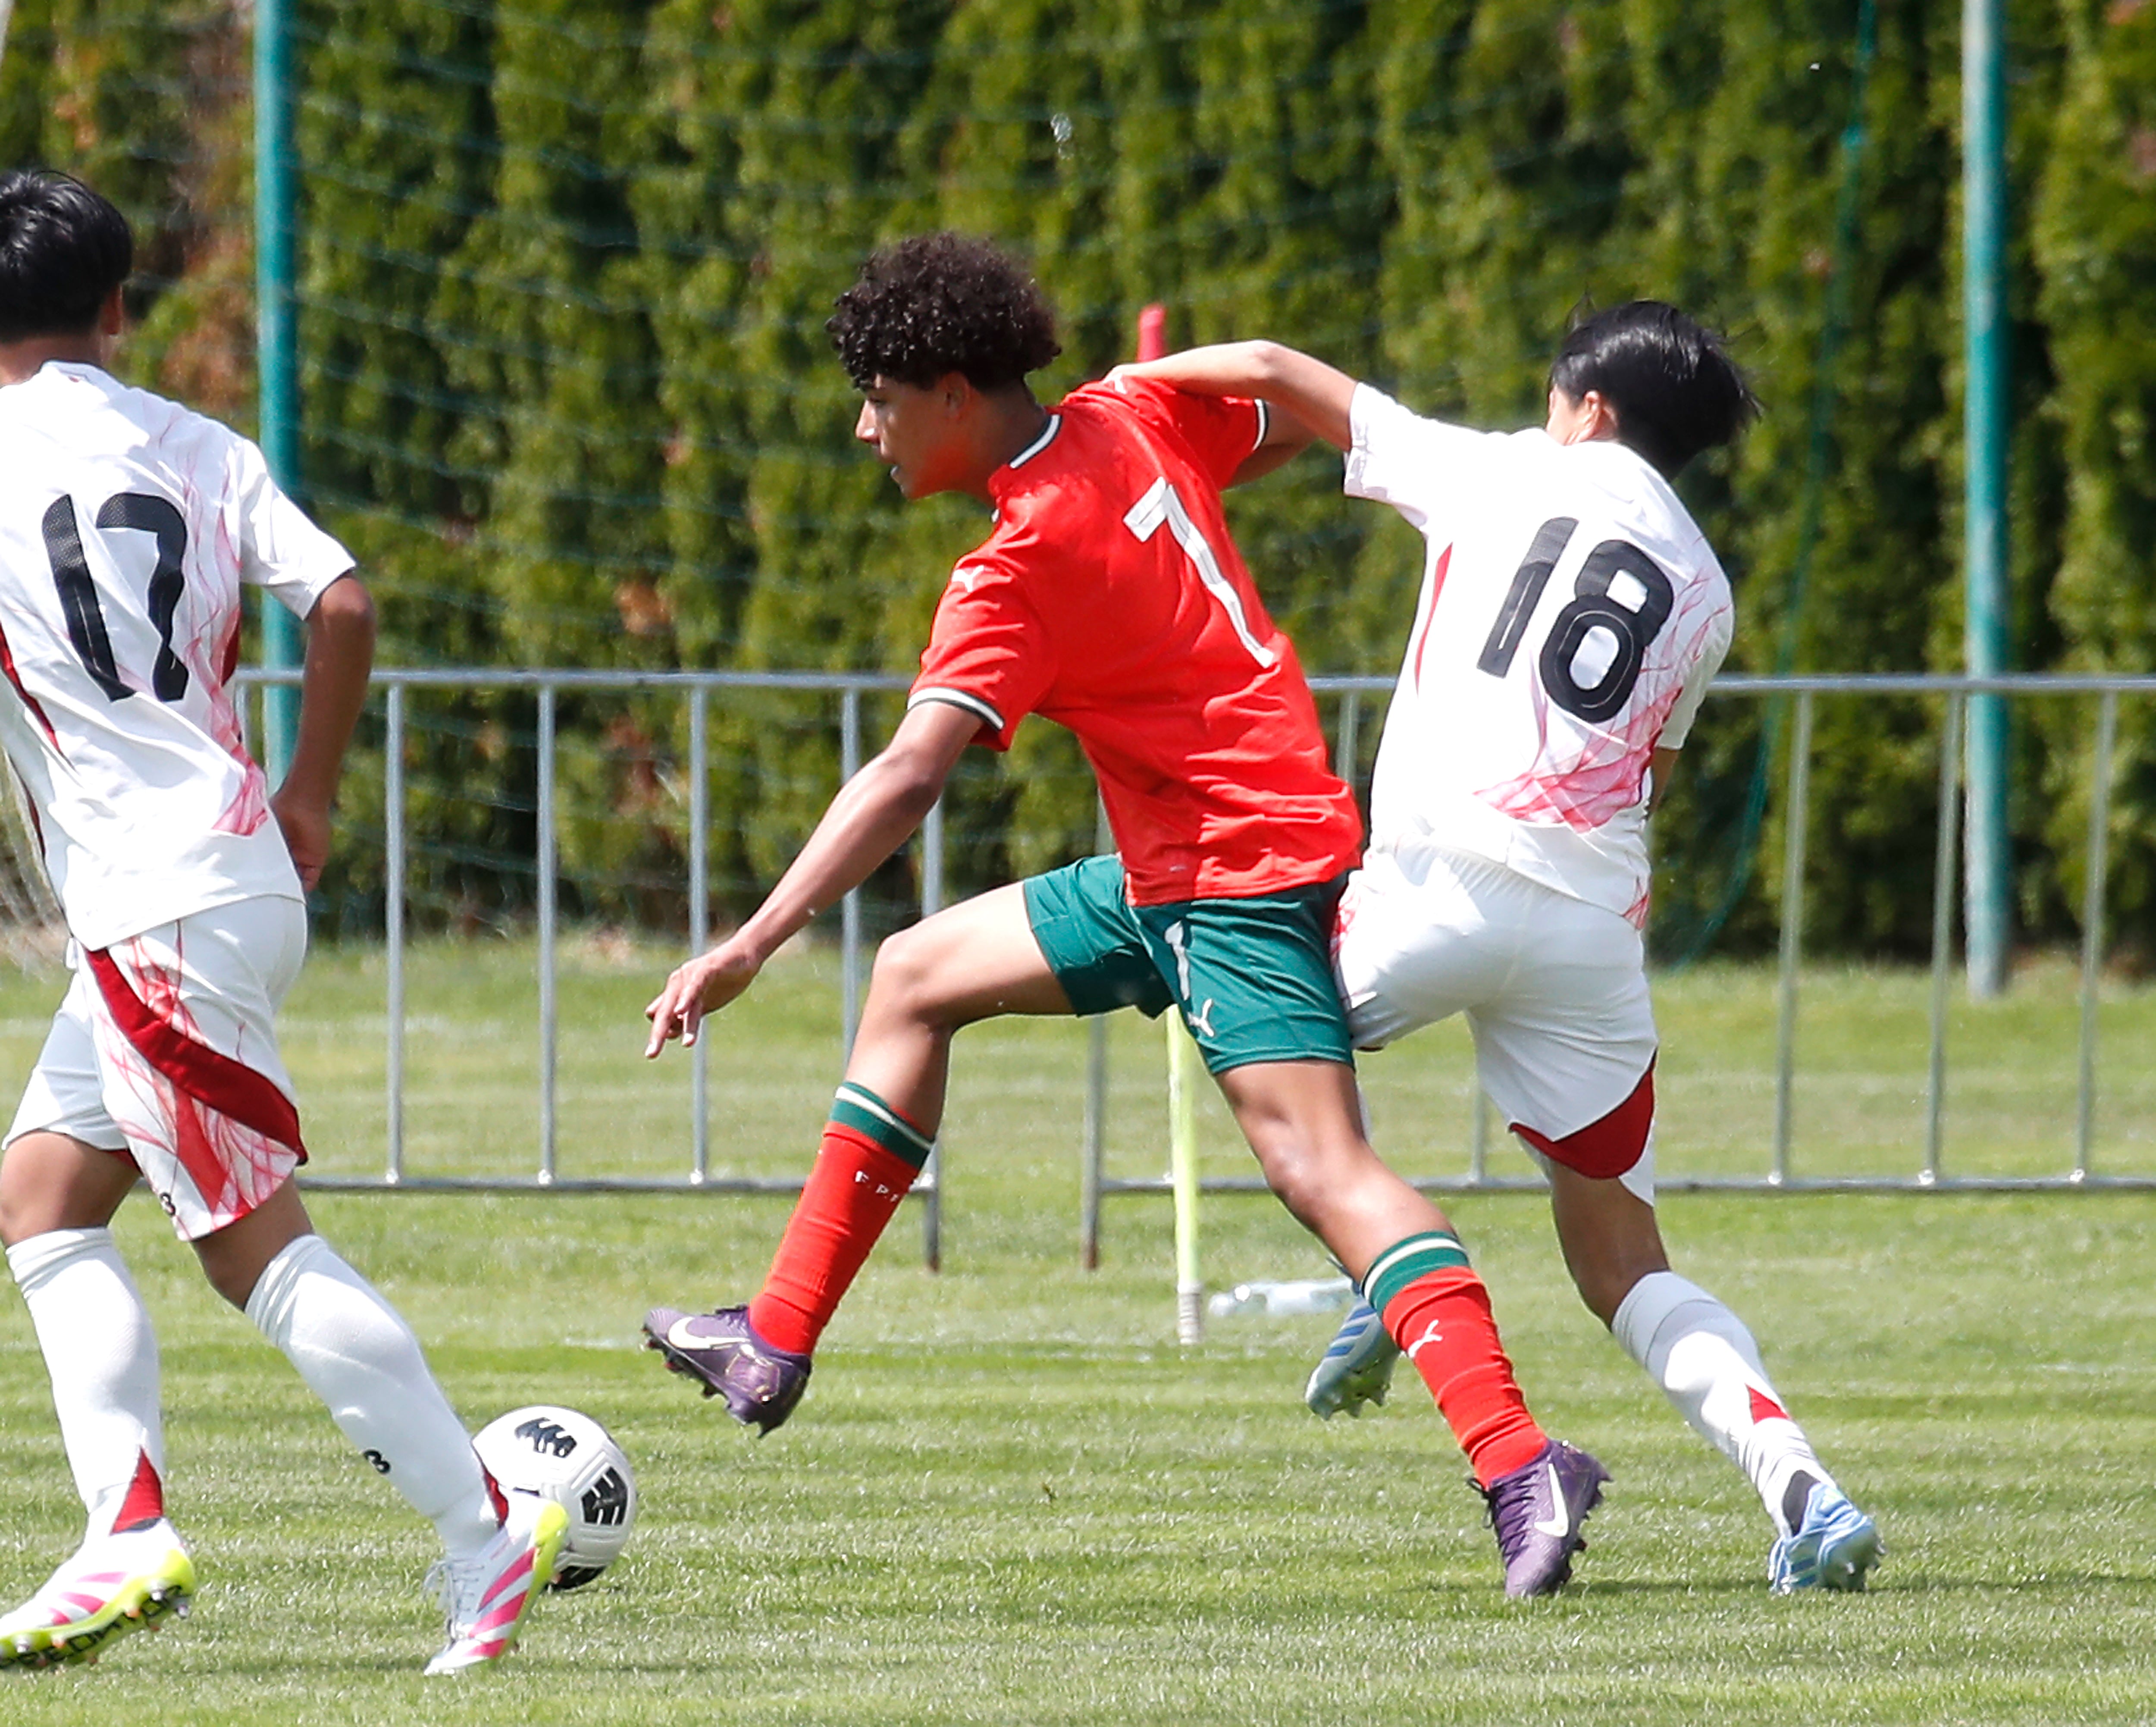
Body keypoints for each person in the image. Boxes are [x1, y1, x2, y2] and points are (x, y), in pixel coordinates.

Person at [641, 232, 1608, 1598]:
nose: (865, 428)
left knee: (1323, 1175)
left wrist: (749, 940)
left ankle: (1522, 1464)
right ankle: (775, 1336)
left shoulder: (1014, 564)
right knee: (916, 976)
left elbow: (912, 768)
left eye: (881, 398)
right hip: (1184, 869)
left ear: (958, 394)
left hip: (1234, 881)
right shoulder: (1130, 413)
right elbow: (1275, 426)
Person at [1109, 304, 1883, 1593]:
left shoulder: (1503, 470)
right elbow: (1653, 769)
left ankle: (1393, 1260)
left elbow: (1270, 368)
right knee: (1625, 1265)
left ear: (1587, 408)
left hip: (1430, 893)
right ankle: (1804, 1491)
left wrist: (1112, 395)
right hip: (1586, 934)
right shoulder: (1707, 588)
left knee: (1273, 1058)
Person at [0, 169, 564, 1674]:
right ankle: (121, 1525)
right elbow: (347, 603)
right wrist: (311, 796)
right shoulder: (200, 443)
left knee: (255, 1251)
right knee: (42, 1200)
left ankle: (484, 1531)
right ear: (120, 314)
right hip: (227, 872)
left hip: (155, 904)